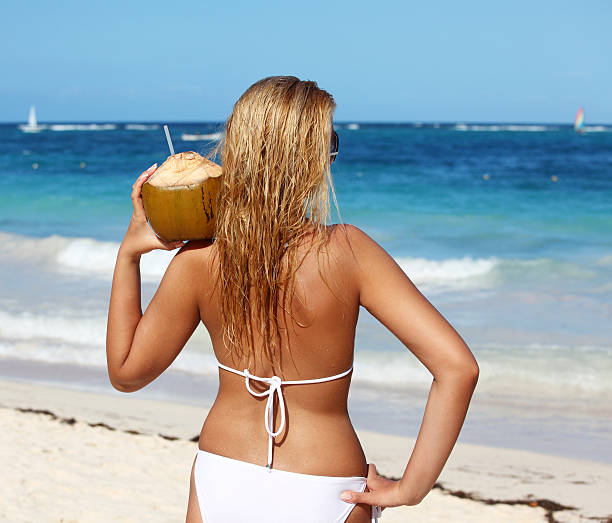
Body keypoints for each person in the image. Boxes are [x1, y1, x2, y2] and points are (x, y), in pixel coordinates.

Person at [106, 76, 479, 523]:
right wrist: (411, 488)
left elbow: (127, 374)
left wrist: (129, 254)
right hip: (326, 486)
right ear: (312, 161)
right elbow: (458, 368)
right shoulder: (349, 251)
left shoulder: (198, 259)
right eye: (330, 144)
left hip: (223, 474)